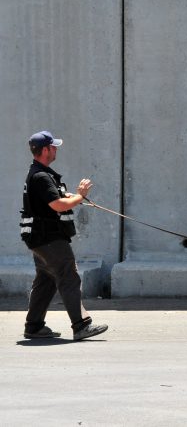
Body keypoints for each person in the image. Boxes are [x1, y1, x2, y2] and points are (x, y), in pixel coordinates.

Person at [20, 130, 108, 341]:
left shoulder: (40, 173)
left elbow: (54, 199)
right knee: (68, 276)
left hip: (40, 239)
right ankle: (81, 326)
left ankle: (33, 326)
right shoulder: (41, 176)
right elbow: (57, 204)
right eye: (53, 146)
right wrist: (80, 197)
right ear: (44, 150)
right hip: (49, 239)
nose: (56, 149)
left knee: (46, 280)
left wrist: (72, 196)